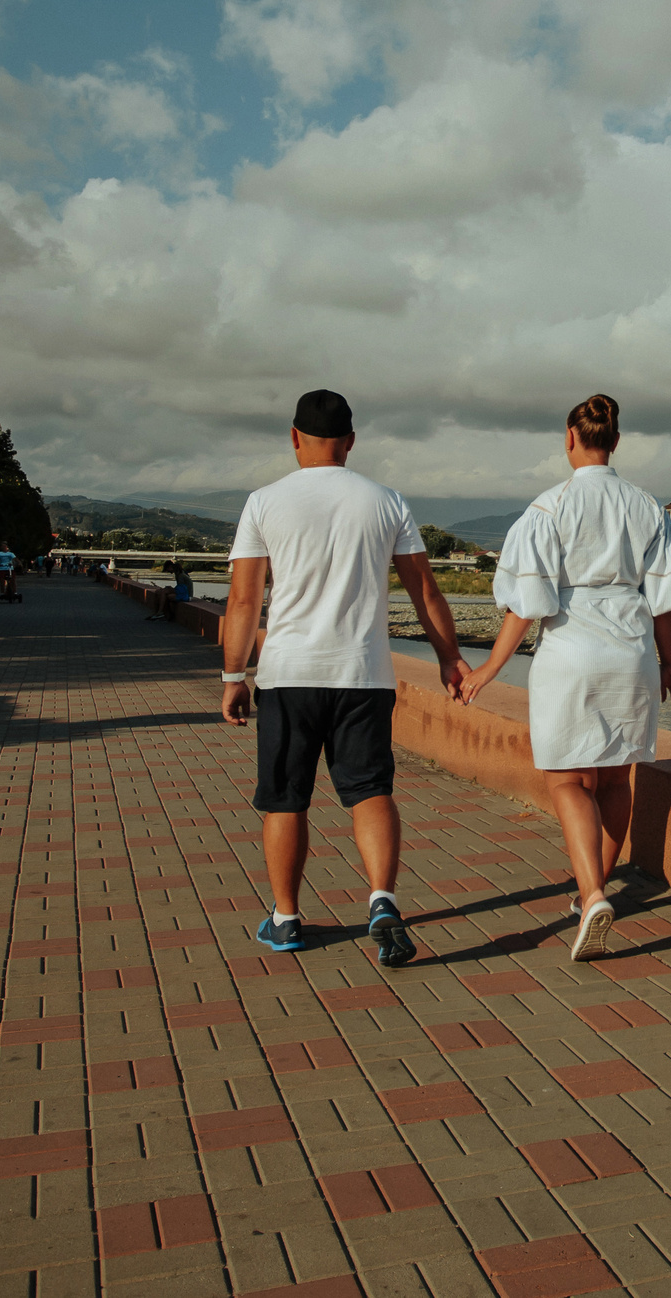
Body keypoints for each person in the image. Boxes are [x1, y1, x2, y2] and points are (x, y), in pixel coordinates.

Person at [220, 388, 467, 965]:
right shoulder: (387, 501)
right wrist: (449, 657)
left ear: (294, 437)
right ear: (351, 441)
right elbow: (424, 590)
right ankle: (382, 899)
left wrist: (233, 675)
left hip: (288, 676)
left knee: (286, 800)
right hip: (364, 674)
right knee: (370, 790)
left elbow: (243, 599)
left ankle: (286, 919)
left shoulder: (264, 502)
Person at [459, 395, 671, 961]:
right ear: (615, 440)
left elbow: (528, 602)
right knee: (615, 780)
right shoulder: (648, 507)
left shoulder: (548, 507)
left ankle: (592, 896)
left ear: (569, 437)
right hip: (632, 651)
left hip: (572, 648)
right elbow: (661, 599)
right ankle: (591, 896)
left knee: (567, 782)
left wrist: (490, 667)